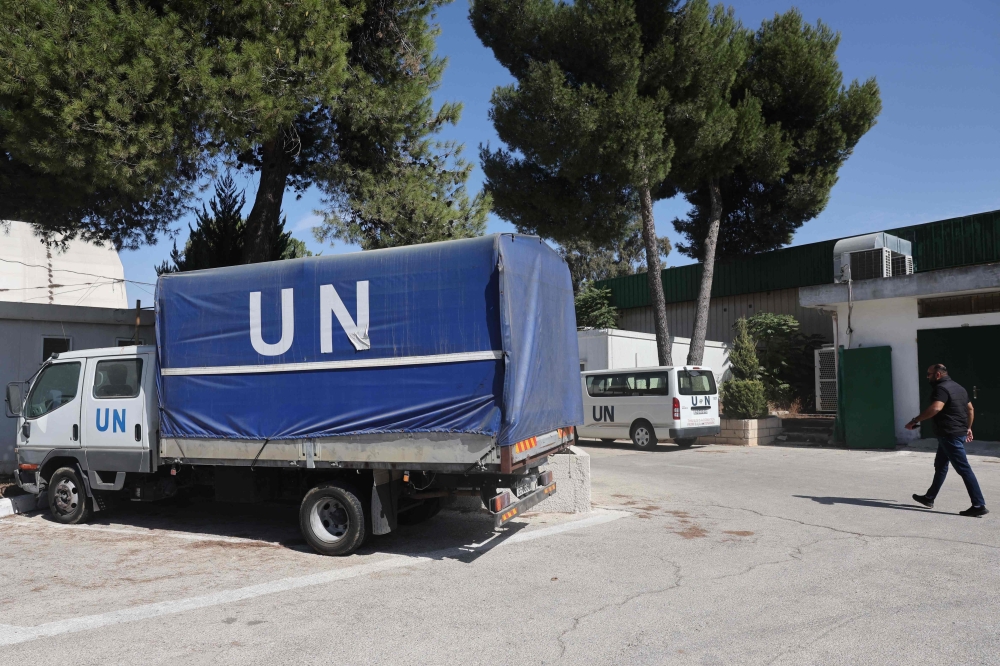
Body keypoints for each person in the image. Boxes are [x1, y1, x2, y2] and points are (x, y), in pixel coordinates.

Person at [906, 364, 988, 517]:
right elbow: (970, 409)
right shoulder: (959, 387)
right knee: (941, 466)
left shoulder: (941, 389)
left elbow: (936, 408)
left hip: (949, 435)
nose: (927, 377)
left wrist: (914, 420)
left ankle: (978, 504)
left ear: (937, 375)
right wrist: (968, 427)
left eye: (929, 374)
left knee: (964, 469)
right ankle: (929, 497)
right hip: (954, 434)